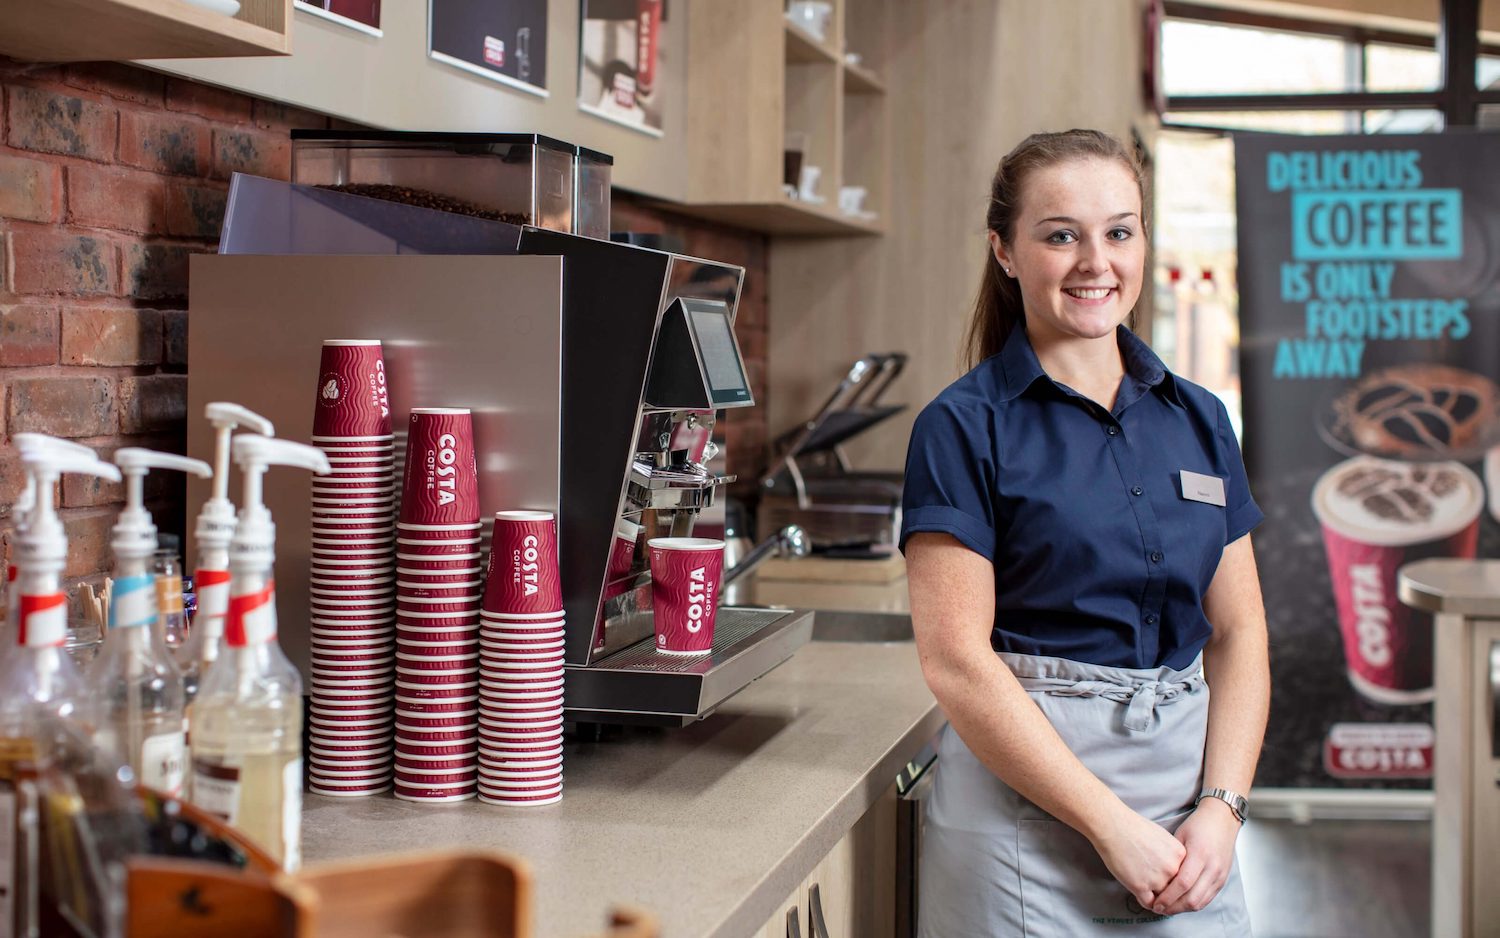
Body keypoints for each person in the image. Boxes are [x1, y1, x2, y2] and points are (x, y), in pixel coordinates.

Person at [902, 129, 1268, 936]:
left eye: (1119, 231)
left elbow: (1240, 634)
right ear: (1004, 250)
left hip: (1186, 822)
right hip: (1022, 819)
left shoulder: (1202, 421)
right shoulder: (961, 428)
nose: (1095, 261)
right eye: (1060, 234)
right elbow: (957, 662)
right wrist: (1108, 824)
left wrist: (1223, 808)